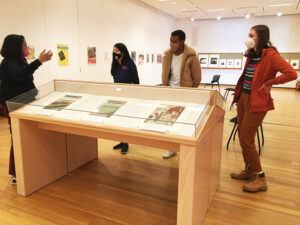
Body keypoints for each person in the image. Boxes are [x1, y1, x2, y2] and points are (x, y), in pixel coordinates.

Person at [231, 25, 297, 192]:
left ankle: (260, 178)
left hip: (257, 101)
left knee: (246, 138)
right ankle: (249, 170)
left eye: (251, 35)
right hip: (244, 98)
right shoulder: (252, 54)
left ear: (261, 37)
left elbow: (291, 74)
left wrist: (269, 83)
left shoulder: (271, 55)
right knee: (242, 135)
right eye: (248, 34)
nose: (249, 38)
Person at [0, 34, 53, 185]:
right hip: (14, 105)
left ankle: (30, 166)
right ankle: (16, 173)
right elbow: (20, 76)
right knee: (17, 137)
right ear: (16, 47)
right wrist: (39, 61)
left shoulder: (20, 61)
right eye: (24, 45)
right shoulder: (8, 63)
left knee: (28, 136)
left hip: (25, 103)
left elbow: (25, 79)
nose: (27, 47)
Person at [161, 30, 201, 159]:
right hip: (170, 92)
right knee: (169, 120)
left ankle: (185, 148)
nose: (171, 44)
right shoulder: (167, 55)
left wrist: (190, 92)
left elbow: (197, 77)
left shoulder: (192, 56)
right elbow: (165, 73)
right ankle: (171, 148)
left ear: (182, 42)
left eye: (175, 41)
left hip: (185, 94)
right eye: (170, 41)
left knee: (184, 122)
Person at [110, 43, 139, 155]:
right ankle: (122, 141)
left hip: (128, 97)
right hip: (117, 95)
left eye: (117, 51)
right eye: (114, 51)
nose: (115, 53)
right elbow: (114, 76)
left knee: (125, 121)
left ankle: (126, 144)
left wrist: (134, 96)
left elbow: (136, 81)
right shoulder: (115, 63)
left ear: (122, 51)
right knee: (118, 120)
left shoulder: (130, 63)